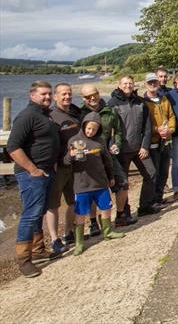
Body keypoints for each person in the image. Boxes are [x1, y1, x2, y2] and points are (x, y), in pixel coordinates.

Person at [7, 81, 61, 277]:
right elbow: (13, 147)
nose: (47, 97)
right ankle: (24, 260)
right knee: (31, 213)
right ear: (32, 95)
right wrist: (32, 169)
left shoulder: (44, 115)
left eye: (49, 94)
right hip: (31, 174)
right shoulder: (27, 116)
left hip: (46, 171)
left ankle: (38, 251)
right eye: (43, 94)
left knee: (40, 211)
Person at [64, 112, 125, 255]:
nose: (91, 131)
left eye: (94, 129)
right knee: (80, 213)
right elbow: (66, 162)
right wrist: (70, 156)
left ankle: (108, 231)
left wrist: (111, 177)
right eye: (89, 128)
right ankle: (79, 242)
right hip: (82, 185)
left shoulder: (100, 141)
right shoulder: (74, 141)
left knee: (106, 207)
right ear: (84, 125)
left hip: (101, 183)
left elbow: (107, 161)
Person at [107, 75, 159, 220]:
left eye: (130, 83)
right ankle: (124, 212)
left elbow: (147, 126)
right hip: (122, 150)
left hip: (139, 148)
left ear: (134, 84)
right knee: (123, 183)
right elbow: (109, 128)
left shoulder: (140, 102)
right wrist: (112, 145)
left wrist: (145, 146)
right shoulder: (112, 103)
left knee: (151, 173)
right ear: (119, 85)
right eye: (125, 83)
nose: (128, 86)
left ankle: (145, 206)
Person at [79, 84, 129, 228]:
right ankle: (94, 222)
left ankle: (120, 215)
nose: (92, 98)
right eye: (88, 97)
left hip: (108, 155)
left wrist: (117, 144)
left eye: (94, 94)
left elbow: (119, 131)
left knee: (123, 183)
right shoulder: (79, 114)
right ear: (83, 98)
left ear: (99, 93)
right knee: (94, 189)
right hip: (89, 158)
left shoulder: (110, 111)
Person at [45, 83, 80, 256]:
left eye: (69, 94)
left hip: (74, 164)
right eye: (63, 94)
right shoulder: (51, 116)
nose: (67, 97)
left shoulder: (74, 113)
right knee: (53, 204)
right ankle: (54, 239)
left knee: (73, 201)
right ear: (55, 97)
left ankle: (68, 233)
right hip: (58, 166)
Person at [143, 72, 175, 204]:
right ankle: (152, 201)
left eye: (155, 82)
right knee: (154, 173)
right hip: (153, 142)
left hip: (166, 141)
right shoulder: (143, 102)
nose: (153, 84)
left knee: (164, 172)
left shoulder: (164, 99)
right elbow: (145, 123)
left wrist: (170, 129)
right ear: (145, 84)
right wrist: (157, 130)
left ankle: (160, 198)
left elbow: (171, 116)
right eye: (150, 82)